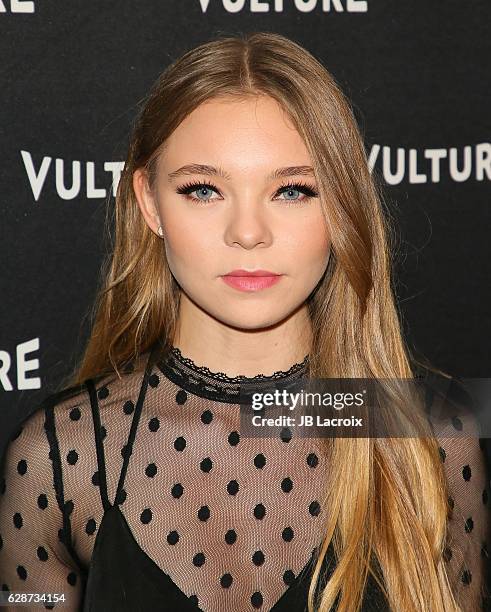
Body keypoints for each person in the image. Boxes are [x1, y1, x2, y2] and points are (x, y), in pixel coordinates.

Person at [0, 31, 489, 612]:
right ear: (151, 203)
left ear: (343, 206)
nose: (248, 232)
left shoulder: (429, 442)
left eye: (292, 190)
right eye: (204, 189)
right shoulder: (63, 456)